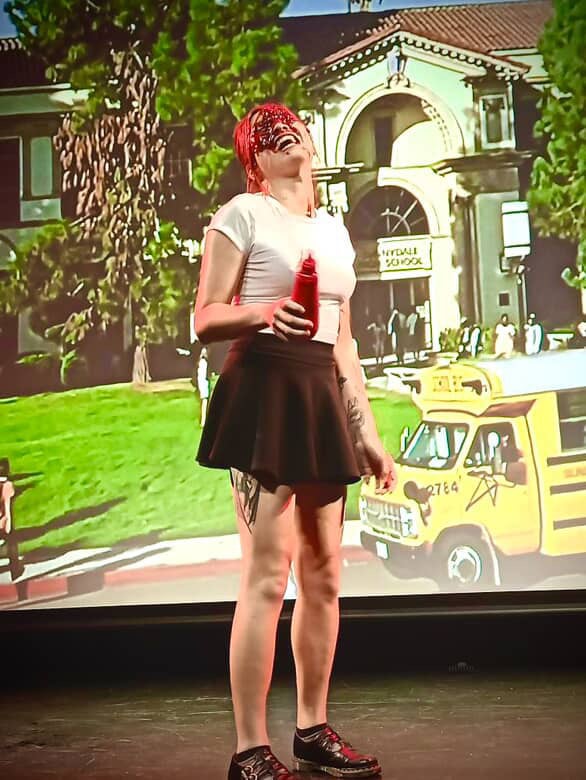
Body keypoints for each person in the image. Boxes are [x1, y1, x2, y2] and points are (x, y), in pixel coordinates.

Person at [194, 102, 396, 780]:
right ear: (253, 158)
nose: (282, 132)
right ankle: (250, 750)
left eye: (289, 124)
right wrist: (262, 313)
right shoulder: (242, 215)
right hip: (264, 388)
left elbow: (342, 342)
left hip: (318, 393)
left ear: (309, 140)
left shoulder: (334, 232)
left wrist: (366, 433)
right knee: (267, 577)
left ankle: (312, 729)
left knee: (324, 576)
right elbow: (204, 317)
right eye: (265, 131)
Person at [196, 346, 210, 426]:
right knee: (204, 401)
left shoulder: (200, 363)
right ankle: (203, 421)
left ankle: (203, 420)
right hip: (203, 383)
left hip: (201, 383)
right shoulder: (203, 363)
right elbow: (204, 375)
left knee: (204, 402)